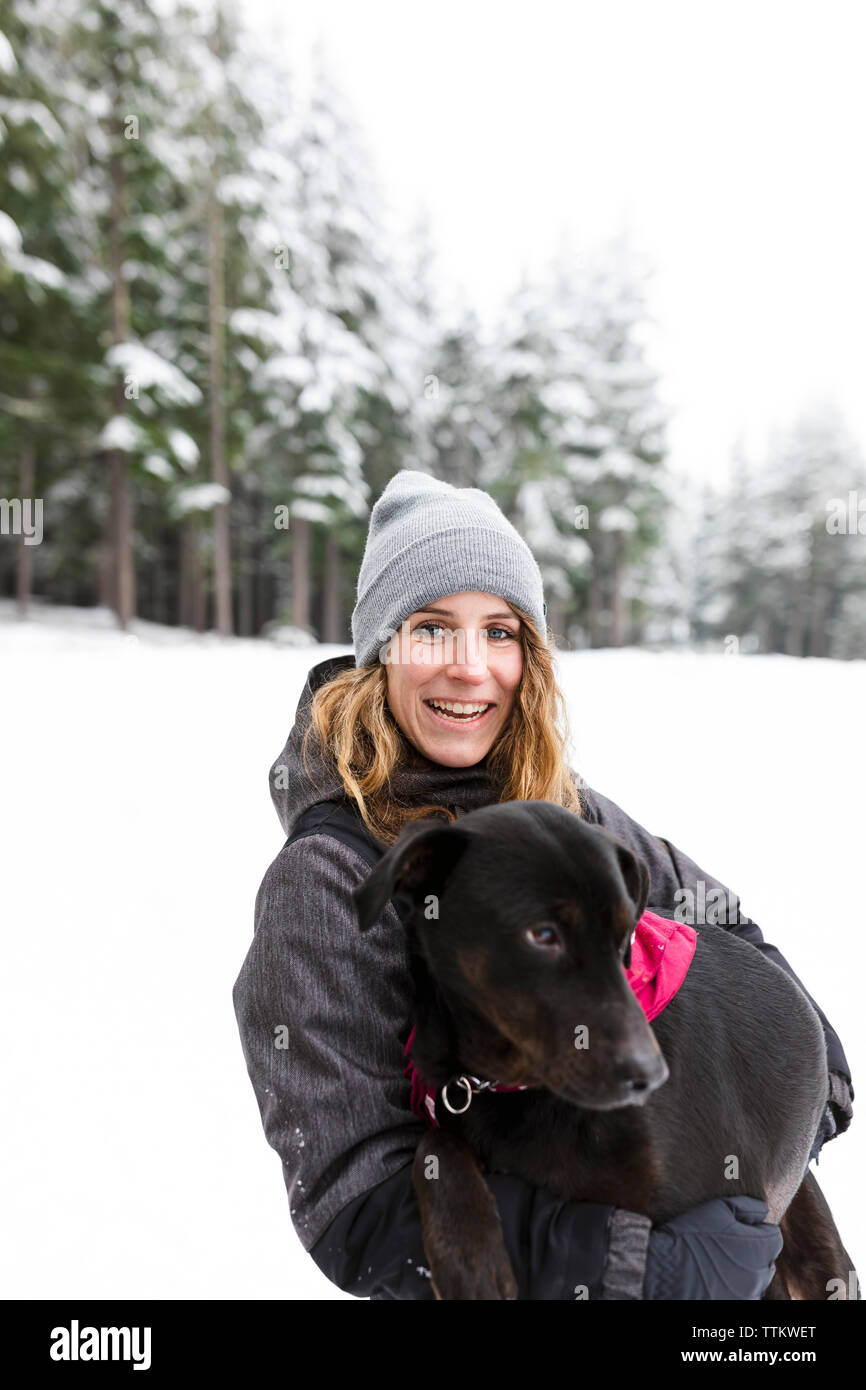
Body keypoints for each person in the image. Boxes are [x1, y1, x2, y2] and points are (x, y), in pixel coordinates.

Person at [232, 469, 854, 1300]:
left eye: (499, 631)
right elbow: (352, 1201)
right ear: (382, 651)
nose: (469, 667)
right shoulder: (326, 879)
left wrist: (787, 1121)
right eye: (431, 628)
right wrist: (637, 1268)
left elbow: (731, 938)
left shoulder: (569, 814)